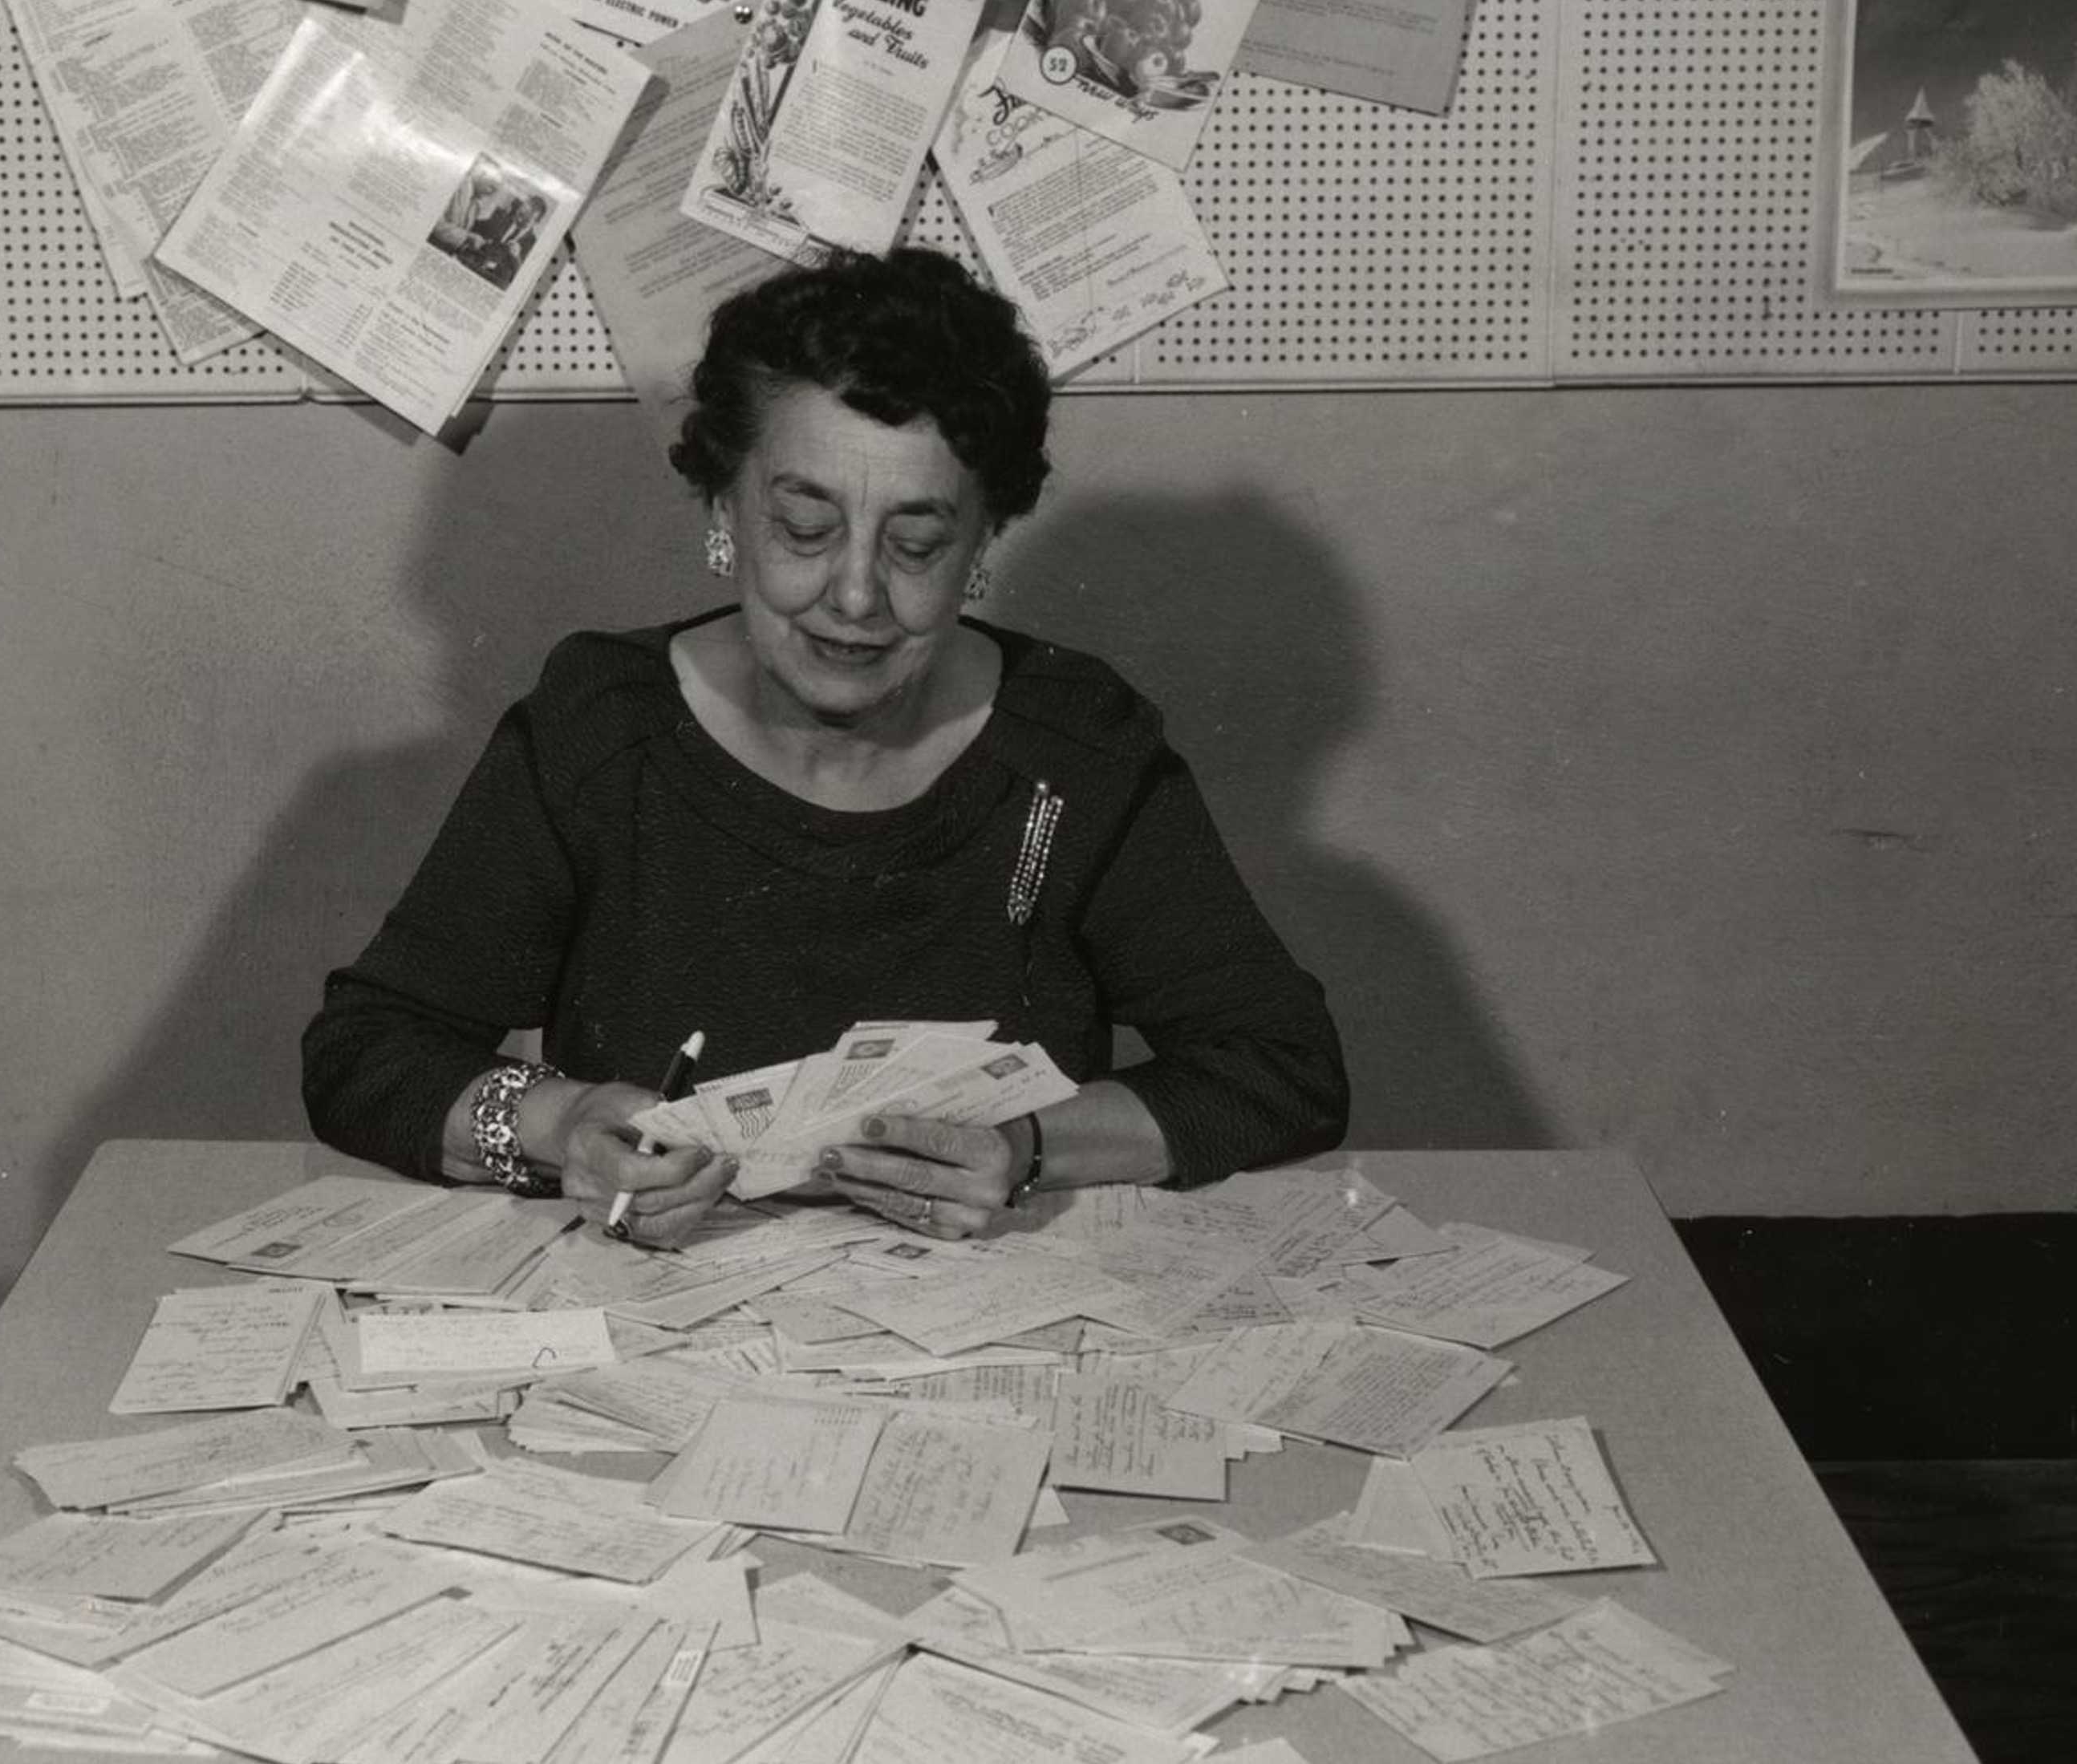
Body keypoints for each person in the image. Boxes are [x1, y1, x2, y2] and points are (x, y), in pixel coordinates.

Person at [302, 249, 1347, 1246]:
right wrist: (565, 1127)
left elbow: (1283, 1071)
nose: (855, 596)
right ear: (724, 511)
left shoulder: (1071, 750)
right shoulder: (603, 730)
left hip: (981, 1340)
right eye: (805, 527)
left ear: (982, 547)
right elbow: (364, 1053)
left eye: (917, 544)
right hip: (648, 1320)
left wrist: (1026, 1150)